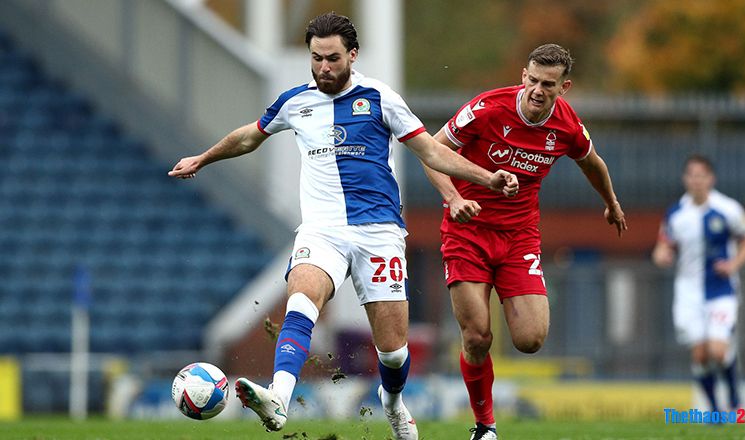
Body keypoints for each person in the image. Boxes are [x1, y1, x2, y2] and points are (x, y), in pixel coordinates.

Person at [168, 12, 518, 440]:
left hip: (380, 233)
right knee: (302, 296)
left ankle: (392, 404)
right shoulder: (295, 101)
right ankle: (279, 398)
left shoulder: (380, 97)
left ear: (352, 55)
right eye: (316, 59)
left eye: (332, 58)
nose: (323, 68)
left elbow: (430, 150)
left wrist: (486, 178)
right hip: (322, 230)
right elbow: (249, 136)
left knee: (392, 351)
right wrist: (203, 158)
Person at [422, 43, 627, 440]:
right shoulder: (487, 108)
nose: (537, 89)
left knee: (531, 339)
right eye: (532, 80)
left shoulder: (567, 125)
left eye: (547, 84)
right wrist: (455, 198)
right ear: (523, 76)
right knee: (477, 336)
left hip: (519, 238)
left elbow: (593, 163)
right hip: (468, 231)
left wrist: (611, 204)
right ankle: (485, 426)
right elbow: (430, 150)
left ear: (563, 87)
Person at [652, 154, 745, 414]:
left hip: (721, 289)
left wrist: (733, 265)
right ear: (685, 179)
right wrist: (661, 254)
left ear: (711, 178)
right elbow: (664, 244)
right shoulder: (676, 213)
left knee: (718, 352)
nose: (696, 180)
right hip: (688, 291)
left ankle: (733, 392)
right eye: (691, 175)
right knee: (700, 355)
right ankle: (715, 412)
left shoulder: (728, 209)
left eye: (701, 175)